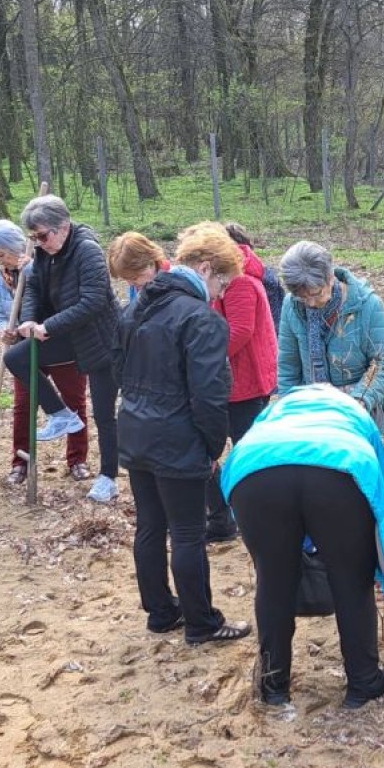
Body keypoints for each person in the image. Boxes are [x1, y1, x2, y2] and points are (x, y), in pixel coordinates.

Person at [108, 228, 248, 645]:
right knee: (186, 533)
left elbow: (119, 368)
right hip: (177, 437)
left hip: (136, 432)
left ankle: (161, 612)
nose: (222, 290)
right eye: (222, 282)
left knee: (150, 527)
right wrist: (209, 446)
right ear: (205, 268)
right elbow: (210, 393)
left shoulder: (137, 309)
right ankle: (201, 623)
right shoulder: (201, 319)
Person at [222, 385, 384, 709]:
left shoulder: (273, 414)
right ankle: (363, 682)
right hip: (340, 471)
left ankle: (273, 687)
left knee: (273, 582)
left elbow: (235, 480)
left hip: (255, 474)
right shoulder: (356, 414)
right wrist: (381, 564)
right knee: (351, 579)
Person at [3, 194, 121, 503]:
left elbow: (93, 302)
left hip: (100, 340)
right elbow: (35, 288)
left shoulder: (88, 251)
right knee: (17, 356)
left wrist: (48, 327)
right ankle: (60, 414)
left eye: (43, 235)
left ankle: (109, 477)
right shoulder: (44, 252)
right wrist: (29, 320)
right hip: (68, 333)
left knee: (105, 413)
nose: (39, 243)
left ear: (64, 226)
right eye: (34, 237)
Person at [0, 220, 90, 484]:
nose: (1, 262)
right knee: (23, 406)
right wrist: (3, 330)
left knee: (73, 401)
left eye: (2, 254)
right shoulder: (1, 278)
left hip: (58, 343)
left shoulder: (46, 266)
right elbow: (0, 314)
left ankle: (78, 460)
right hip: (24, 350)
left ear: (17, 246)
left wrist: (30, 270)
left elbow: (62, 302)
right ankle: (21, 461)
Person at [203, 224, 280, 544]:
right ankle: (222, 518)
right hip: (226, 381)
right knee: (204, 450)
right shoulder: (225, 280)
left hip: (245, 384)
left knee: (249, 454)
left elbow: (239, 332)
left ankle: (259, 519)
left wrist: (202, 359)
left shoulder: (243, 283)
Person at [275, 241, 384, 431]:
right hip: (314, 416)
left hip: (361, 415)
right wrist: (290, 411)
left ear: (330, 278)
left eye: (316, 294)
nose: (311, 303)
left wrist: (359, 402)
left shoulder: (368, 305)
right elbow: (289, 366)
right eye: (303, 297)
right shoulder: (291, 306)